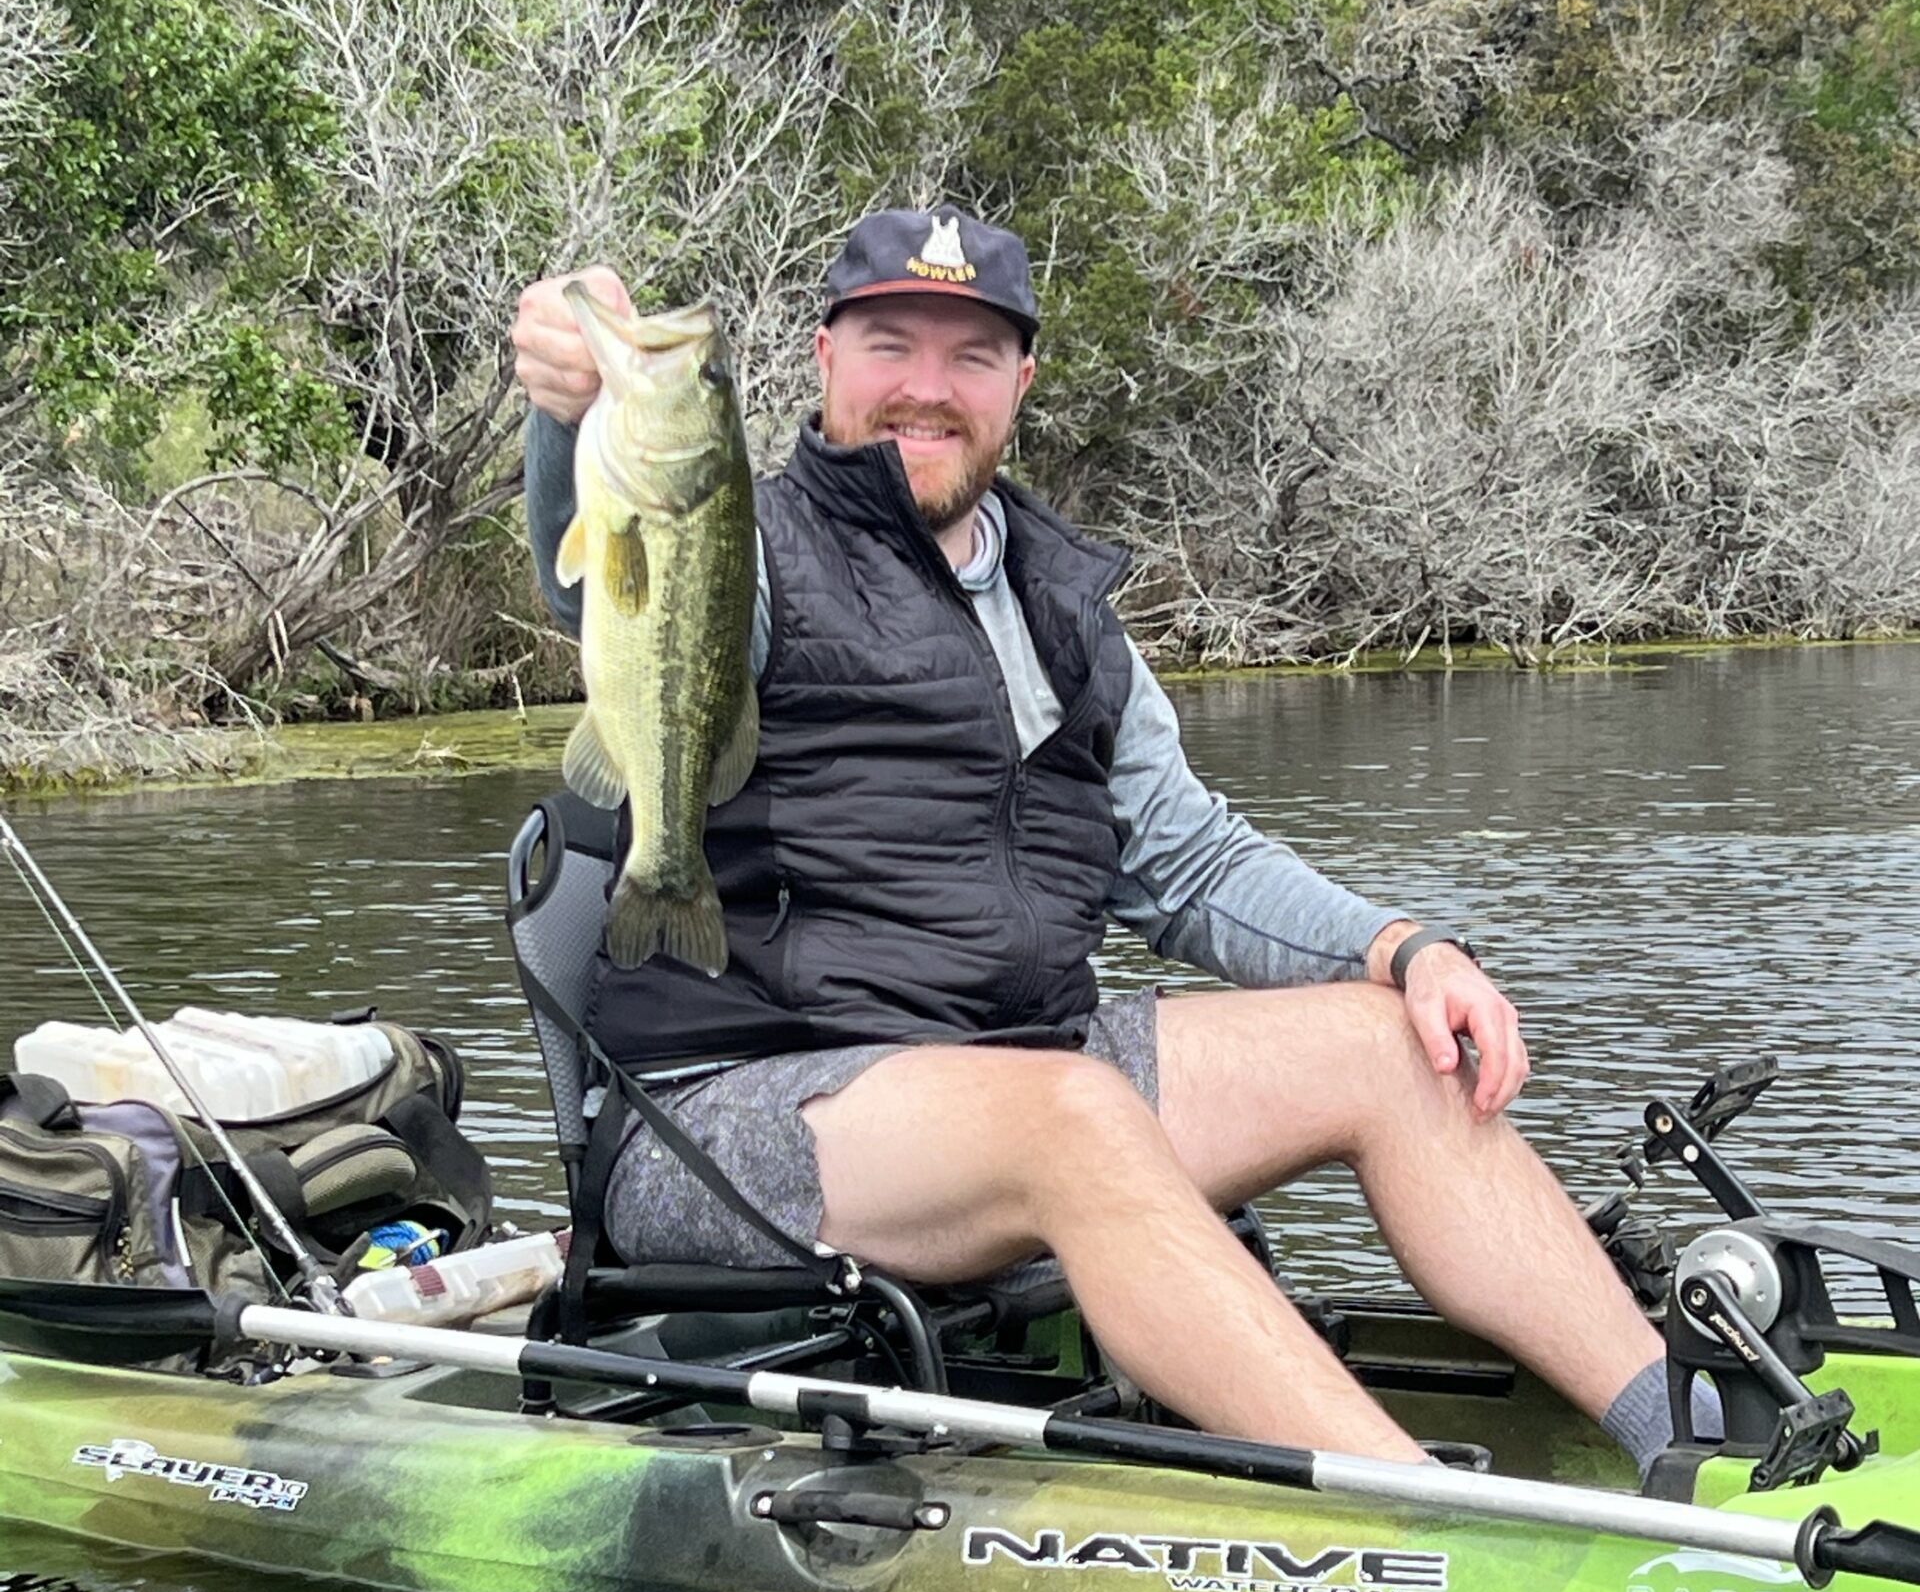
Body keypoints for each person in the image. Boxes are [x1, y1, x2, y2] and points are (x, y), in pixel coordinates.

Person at [511, 205, 1683, 1469]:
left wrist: (1406, 948)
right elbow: (598, 579)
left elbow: (1192, 862)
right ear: (825, 358)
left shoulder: (1060, 601)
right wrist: (570, 411)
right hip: (727, 1109)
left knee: (1394, 1045)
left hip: (1014, 1066)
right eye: (891, 345)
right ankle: (1419, 1510)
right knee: (1074, 1113)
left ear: (1020, 382)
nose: (927, 387)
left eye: (969, 355)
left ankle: (1691, 1443)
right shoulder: (741, 540)